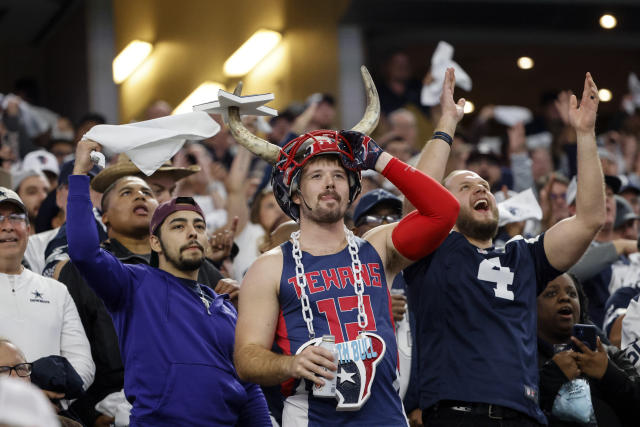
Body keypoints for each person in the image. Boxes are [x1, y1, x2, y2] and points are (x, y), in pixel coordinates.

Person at [230, 69, 460, 425]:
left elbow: (443, 213)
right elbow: (246, 359)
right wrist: (290, 364)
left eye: (339, 176)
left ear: (353, 190)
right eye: (316, 176)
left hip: (385, 417)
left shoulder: (378, 247)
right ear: (294, 192)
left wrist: (378, 158)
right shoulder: (269, 266)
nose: (330, 184)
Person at [404, 70, 606, 426]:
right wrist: (448, 122)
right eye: (466, 187)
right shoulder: (433, 252)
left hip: (525, 416)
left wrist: (585, 135)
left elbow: (589, 220)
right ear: (443, 204)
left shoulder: (522, 255)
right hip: (456, 414)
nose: (481, 189)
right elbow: (417, 197)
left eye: (484, 185)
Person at [66, 140, 270, 426]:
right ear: (155, 243)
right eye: (178, 226)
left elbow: (248, 386)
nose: (192, 233)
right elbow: (84, 252)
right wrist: (78, 174)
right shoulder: (133, 284)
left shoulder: (223, 305)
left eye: (199, 226)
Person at [0, 187, 95, 397]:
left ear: (28, 228)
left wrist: (57, 396)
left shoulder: (56, 291)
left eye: (15, 218)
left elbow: (82, 361)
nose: (7, 227)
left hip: (52, 412)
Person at [537, 274, 639, 426]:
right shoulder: (520, 356)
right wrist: (552, 377)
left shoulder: (609, 354)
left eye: (572, 294)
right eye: (551, 293)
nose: (565, 298)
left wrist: (607, 373)